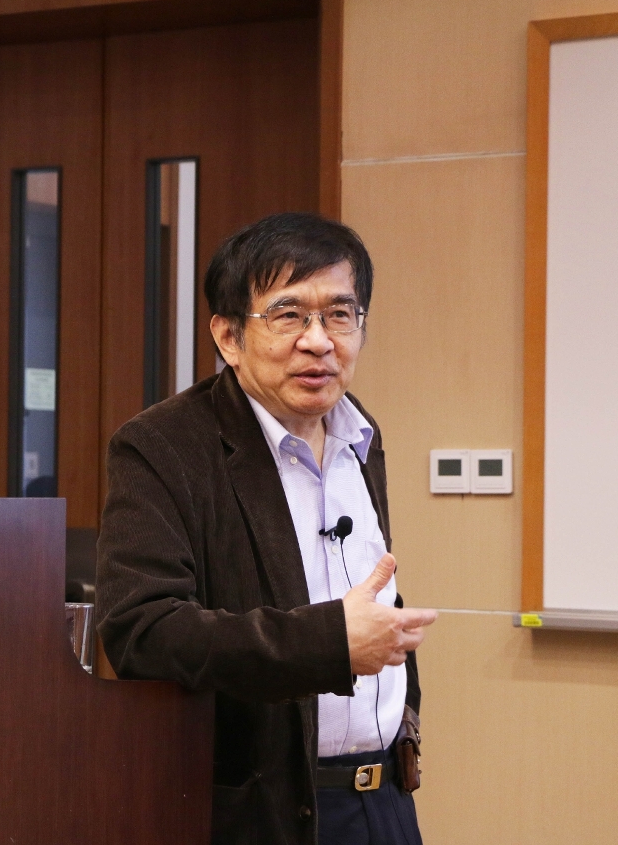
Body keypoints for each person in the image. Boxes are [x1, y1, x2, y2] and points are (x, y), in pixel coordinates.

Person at [96, 212, 437, 845]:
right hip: (264, 813)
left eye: (340, 315)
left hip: (385, 798)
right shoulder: (164, 446)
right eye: (289, 316)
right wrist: (329, 642)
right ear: (228, 337)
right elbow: (141, 630)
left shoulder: (359, 430)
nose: (319, 341)